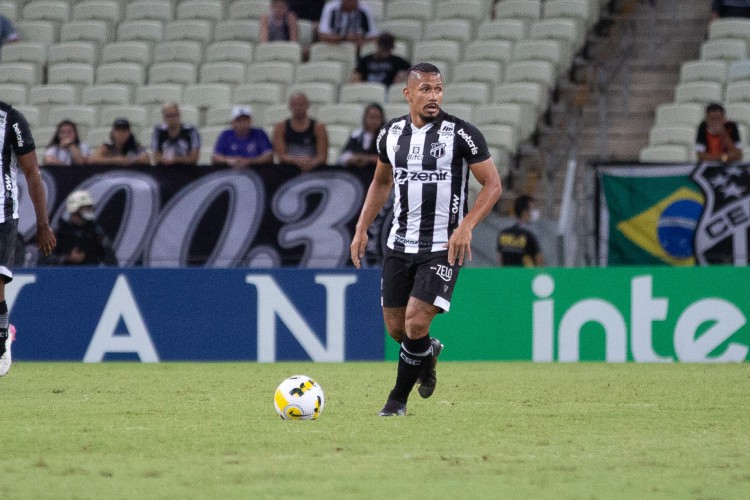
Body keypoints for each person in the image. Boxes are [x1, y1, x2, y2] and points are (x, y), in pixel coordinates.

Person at [350, 63, 502, 416]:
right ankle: (428, 353)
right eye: (426, 90)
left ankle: (396, 402)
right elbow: (381, 182)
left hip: (442, 247)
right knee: (397, 330)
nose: (434, 96)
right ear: (408, 94)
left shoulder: (461, 134)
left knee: (416, 322)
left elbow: (492, 184)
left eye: (438, 89)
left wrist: (466, 226)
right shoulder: (389, 134)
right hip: (400, 244)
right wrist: (361, 228)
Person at [0, 101, 57, 377]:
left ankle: (1, 341)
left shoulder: (11, 120)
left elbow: (32, 172)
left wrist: (43, 224)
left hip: (2, 212)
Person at [41, 190, 117, 267]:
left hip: (90, 275)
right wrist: (67, 258)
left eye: (90, 208)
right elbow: (43, 260)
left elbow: (111, 259)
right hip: (63, 275)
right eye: (86, 208)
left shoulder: (95, 231)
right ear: (75, 209)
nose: (89, 211)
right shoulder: (59, 232)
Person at [272, 93, 328, 172]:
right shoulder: (280, 127)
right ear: (289, 107)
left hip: (312, 169)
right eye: (294, 105)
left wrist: (311, 164)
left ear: (307, 105)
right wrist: (298, 161)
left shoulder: (318, 127)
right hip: (288, 169)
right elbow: (281, 155)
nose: (297, 108)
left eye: (301, 104)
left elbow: (322, 157)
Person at [497, 195, 544, 267]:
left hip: (507, 276)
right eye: (533, 209)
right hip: (526, 276)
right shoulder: (529, 235)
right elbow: (539, 260)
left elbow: (500, 260)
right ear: (524, 212)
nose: (535, 212)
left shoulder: (504, 233)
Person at [151, 102, 201, 167]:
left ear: (179, 115)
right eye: (168, 116)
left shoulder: (191, 130)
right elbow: (156, 158)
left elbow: (194, 158)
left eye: (174, 115)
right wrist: (166, 160)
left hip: (186, 171)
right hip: (164, 170)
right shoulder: (158, 131)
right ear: (163, 117)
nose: (171, 119)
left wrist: (175, 159)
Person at [338, 102, 384, 168]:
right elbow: (344, 156)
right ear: (365, 118)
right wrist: (353, 159)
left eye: (376, 118)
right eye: (371, 117)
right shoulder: (357, 135)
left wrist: (368, 159)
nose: (373, 121)